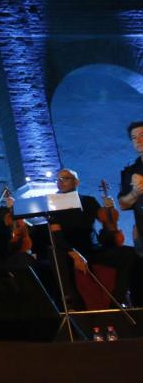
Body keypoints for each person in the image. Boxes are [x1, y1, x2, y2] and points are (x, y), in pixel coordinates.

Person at [48, 168, 135, 308]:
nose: (60, 182)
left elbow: (106, 226)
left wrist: (109, 212)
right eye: (58, 179)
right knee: (55, 253)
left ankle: (117, 300)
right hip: (68, 251)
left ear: (76, 182)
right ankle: (73, 304)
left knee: (128, 253)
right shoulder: (52, 204)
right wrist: (74, 254)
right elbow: (56, 235)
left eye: (65, 178)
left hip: (91, 249)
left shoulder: (88, 201)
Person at [117, 121, 143, 305]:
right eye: (134, 138)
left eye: (142, 135)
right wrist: (135, 192)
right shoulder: (131, 171)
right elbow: (123, 204)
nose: (138, 140)